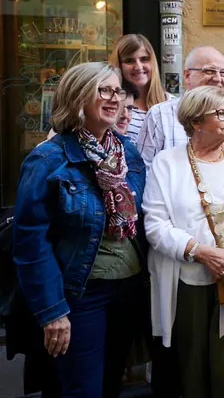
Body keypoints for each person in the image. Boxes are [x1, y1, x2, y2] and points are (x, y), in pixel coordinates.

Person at [13, 62, 148, 398]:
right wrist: (53, 311)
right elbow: (31, 245)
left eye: (117, 90)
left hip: (128, 289)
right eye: (104, 90)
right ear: (77, 96)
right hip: (82, 294)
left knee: (111, 386)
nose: (114, 98)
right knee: (81, 390)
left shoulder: (127, 153)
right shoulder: (48, 159)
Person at [142, 86, 224, 398]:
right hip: (188, 281)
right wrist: (201, 252)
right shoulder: (166, 163)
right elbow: (155, 225)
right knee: (192, 371)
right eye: (222, 113)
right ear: (196, 122)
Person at [137, 45, 224, 166]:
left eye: (222, 73)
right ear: (187, 76)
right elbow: (145, 168)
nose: (217, 79)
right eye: (209, 71)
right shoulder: (160, 115)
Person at [110, 34, 172, 142]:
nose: (138, 67)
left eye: (144, 59)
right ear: (119, 65)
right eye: (129, 61)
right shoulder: (111, 105)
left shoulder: (172, 105)